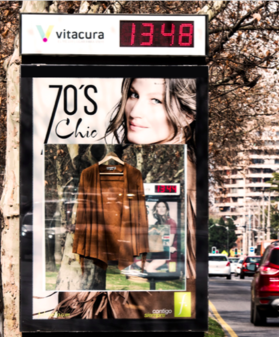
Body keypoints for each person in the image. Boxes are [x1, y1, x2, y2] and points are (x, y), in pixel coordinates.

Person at [57, 77, 197, 319]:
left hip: (137, 306)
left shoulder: (171, 169)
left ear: (186, 115)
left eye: (156, 100)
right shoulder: (173, 163)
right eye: (133, 94)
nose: (135, 111)